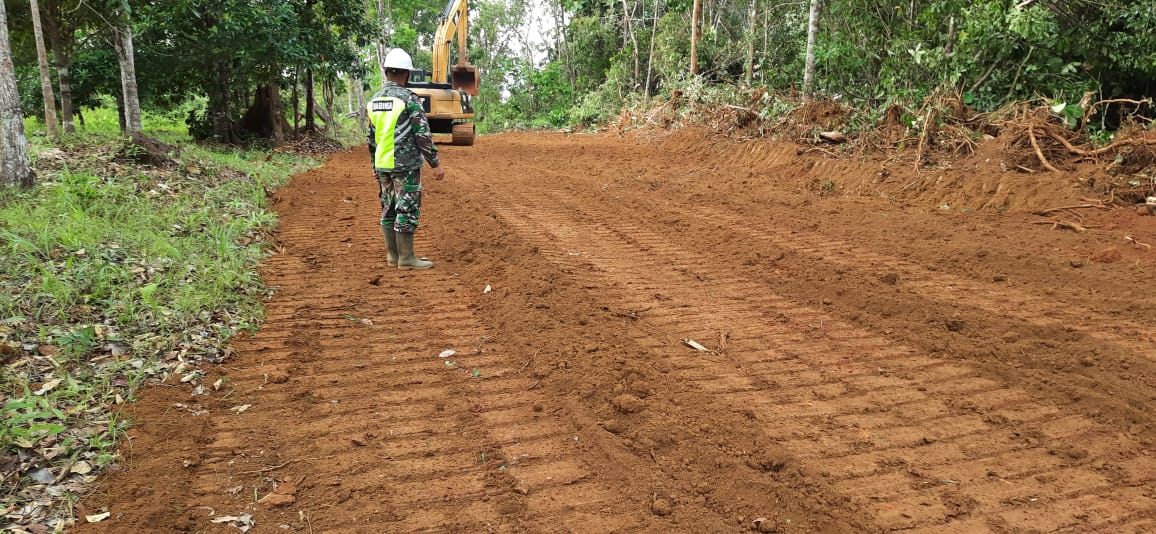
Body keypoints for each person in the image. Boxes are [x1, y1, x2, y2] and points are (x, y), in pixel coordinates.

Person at [367, 48, 445, 270]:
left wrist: (375, 164)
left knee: (388, 206)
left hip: (383, 164)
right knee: (407, 207)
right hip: (405, 164)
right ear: (406, 74)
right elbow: (422, 135)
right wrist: (435, 163)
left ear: (386, 72)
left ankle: (392, 256)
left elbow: (371, 138)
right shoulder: (408, 99)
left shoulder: (374, 100)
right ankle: (407, 258)